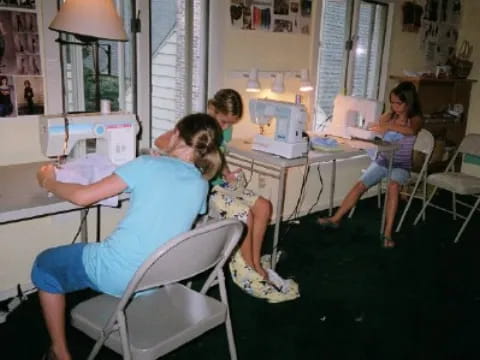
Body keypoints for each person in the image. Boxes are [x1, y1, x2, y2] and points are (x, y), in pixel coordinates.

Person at [31, 113, 223, 360]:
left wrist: (48, 180)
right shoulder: (201, 183)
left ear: (176, 134)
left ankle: (60, 352)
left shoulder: (145, 164)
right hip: (156, 276)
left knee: (44, 265)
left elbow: (82, 197)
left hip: (119, 274)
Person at [155, 89, 299, 303]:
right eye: (222, 122)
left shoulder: (225, 130)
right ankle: (248, 270)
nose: (225, 128)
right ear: (211, 108)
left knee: (264, 207)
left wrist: (227, 173)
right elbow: (160, 142)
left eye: (230, 124)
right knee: (243, 213)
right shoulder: (196, 127)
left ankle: (256, 262)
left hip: (219, 182)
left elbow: (217, 154)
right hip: (202, 187)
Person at [317, 81, 423, 248]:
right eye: (392, 102)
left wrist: (387, 125)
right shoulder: (390, 116)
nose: (394, 106)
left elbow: (411, 131)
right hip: (383, 160)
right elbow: (376, 127)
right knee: (360, 185)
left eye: (398, 103)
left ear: (408, 102)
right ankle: (335, 219)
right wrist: (378, 125)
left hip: (401, 165)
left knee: (393, 187)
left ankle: (387, 233)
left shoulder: (415, 119)